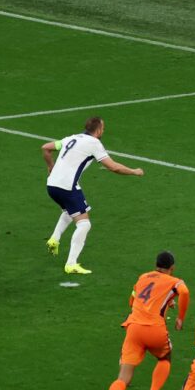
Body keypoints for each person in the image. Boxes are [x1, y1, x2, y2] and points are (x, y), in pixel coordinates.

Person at [96, 251, 190, 390]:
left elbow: (133, 300)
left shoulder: (142, 277)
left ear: (156, 264)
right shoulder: (174, 281)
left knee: (123, 378)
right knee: (165, 358)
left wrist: (162, 303)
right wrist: (180, 317)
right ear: (171, 268)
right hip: (155, 329)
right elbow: (184, 292)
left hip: (134, 329)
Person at [42, 116, 144, 275]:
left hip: (51, 185)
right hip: (66, 187)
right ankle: (71, 264)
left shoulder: (72, 138)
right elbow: (114, 167)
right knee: (84, 224)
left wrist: (50, 166)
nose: (104, 130)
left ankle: (54, 239)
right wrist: (134, 171)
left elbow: (45, 148)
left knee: (70, 211)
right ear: (98, 129)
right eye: (103, 127)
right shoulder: (94, 143)